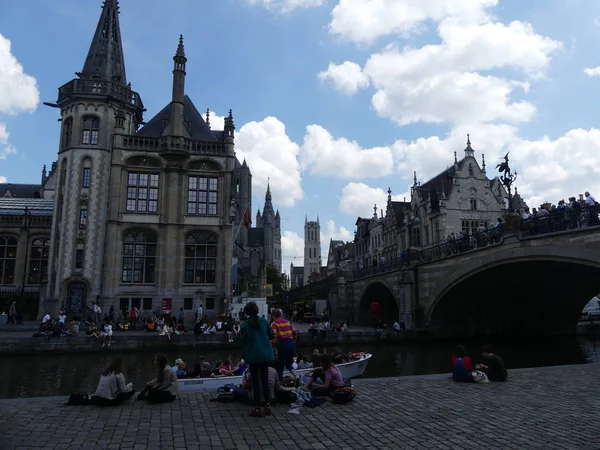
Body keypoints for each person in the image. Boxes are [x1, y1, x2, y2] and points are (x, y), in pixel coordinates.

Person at [240, 301, 275, 417]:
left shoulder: (244, 325)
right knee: (264, 379)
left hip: (253, 355)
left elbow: (242, 340)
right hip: (266, 354)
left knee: (255, 381)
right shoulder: (264, 322)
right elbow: (271, 335)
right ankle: (268, 406)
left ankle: (258, 407)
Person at [270, 308, 299, 383]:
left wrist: (272, 344)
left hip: (283, 345)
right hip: (291, 344)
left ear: (273, 316)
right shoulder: (287, 322)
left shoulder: (274, 324)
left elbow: (273, 335)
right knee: (289, 363)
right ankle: (296, 376)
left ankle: (280, 383)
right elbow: (295, 333)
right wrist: (293, 342)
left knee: (280, 365)